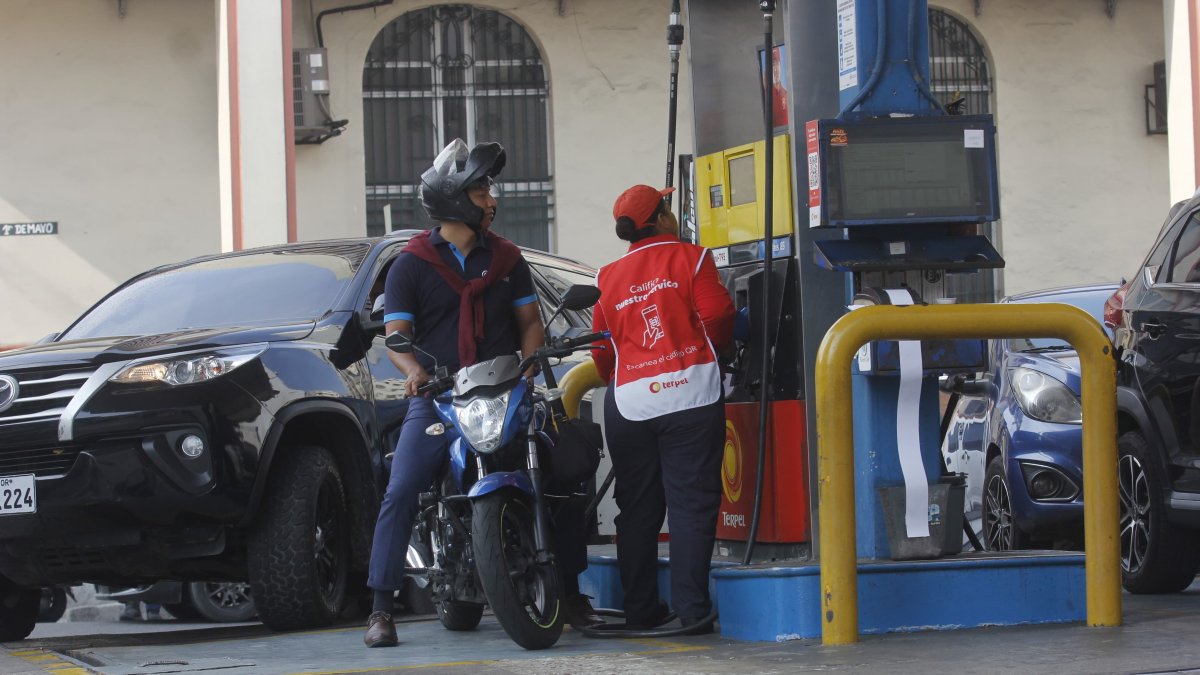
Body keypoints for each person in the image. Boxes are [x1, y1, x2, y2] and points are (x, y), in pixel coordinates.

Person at [364, 139, 601, 648]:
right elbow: (396, 334)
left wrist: (532, 365)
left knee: (560, 477)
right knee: (402, 486)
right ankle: (382, 607)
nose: (491, 199)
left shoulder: (509, 258)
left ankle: (572, 592)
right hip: (440, 397)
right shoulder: (409, 266)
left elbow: (529, 321)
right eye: (481, 190)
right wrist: (412, 372)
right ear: (454, 199)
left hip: (506, 388)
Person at [589, 184, 734, 634]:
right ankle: (692, 612)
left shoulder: (607, 275)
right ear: (663, 217)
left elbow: (601, 348)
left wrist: (624, 371)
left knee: (636, 506)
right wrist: (711, 353)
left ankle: (641, 611)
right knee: (691, 504)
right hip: (690, 393)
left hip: (630, 401)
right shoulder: (692, 258)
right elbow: (719, 316)